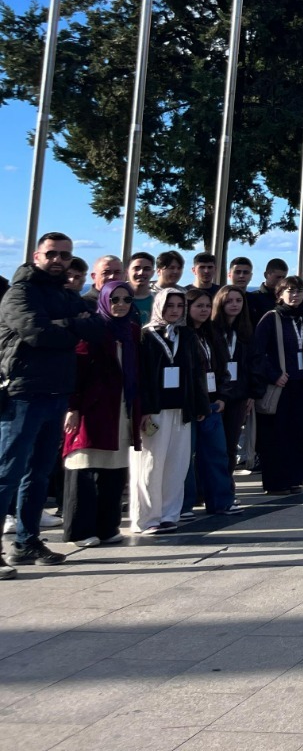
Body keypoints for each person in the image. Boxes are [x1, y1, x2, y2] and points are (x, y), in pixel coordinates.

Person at [0, 232, 103, 572]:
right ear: (36, 256)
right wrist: (73, 327)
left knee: (39, 474)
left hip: (57, 392)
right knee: (7, 473)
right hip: (23, 393)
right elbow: (37, 333)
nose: (58, 260)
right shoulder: (20, 293)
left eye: (65, 255)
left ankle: (26, 542)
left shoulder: (66, 294)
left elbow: (97, 327)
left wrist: (64, 325)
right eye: (52, 254)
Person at [62, 282, 140, 547]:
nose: (121, 305)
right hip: (92, 409)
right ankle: (80, 530)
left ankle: (107, 526)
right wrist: (73, 407)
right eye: (115, 299)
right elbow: (76, 369)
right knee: (84, 466)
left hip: (121, 408)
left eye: (127, 300)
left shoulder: (131, 331)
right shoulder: (92, 329)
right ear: (104, 300)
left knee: (114, 469)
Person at [130, 287, 207, 532]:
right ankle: (146, 518)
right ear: (159, 306)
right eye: (169, 306)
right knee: (150, 464)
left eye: (179, 306)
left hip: (181, 410)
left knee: (177, 464)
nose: (175, 311)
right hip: (155, 410)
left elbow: (196, 372)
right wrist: (143, 409)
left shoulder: (187, 335)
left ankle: (169, 514)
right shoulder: (145, 336)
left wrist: (200, 404)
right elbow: (140, 375)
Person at [251, 276, 303, 496]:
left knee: (299, 433)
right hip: (280, 386)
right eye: (290, 291)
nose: (295, 295)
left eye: (299, 291)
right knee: (277, 435)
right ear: (279, 294)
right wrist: (274, 374)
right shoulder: (271, 318)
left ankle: (295, 479)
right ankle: (276, 482)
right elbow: (257, 352)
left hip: (301, 385)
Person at [185, 289, 237, 514]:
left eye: (207, 306)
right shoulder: (182, 335)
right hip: (191, 407)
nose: (204, 310)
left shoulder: (212, 334)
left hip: (214, 404)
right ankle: (185, 504)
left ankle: (221, 502)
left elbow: (224, 368)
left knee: (217, 455)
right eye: (199, 306)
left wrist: (223, 397)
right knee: (185, 459)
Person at [209, 284, 253, 470]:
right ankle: (211, 484)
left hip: (239, 394)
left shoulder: (245, 330)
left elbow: (251, 365)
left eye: (238, 301)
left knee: (231, 443)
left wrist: (251, 393)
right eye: (229, 301)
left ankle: (227, 482)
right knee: (214, 444)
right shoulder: (211, 330)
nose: (234, 305)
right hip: (216, 394)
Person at [250, 258, 286, 324]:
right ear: (266, 275)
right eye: (278, 277)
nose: (281, 281)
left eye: (283, 277)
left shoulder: (285, 299)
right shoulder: (252, 298)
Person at [127, 251, 157, 325]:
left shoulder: (158, 300)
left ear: (153, 273)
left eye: (146, 269)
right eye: (136, 268)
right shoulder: (116, 299)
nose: (141, 273)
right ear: (127, 271)